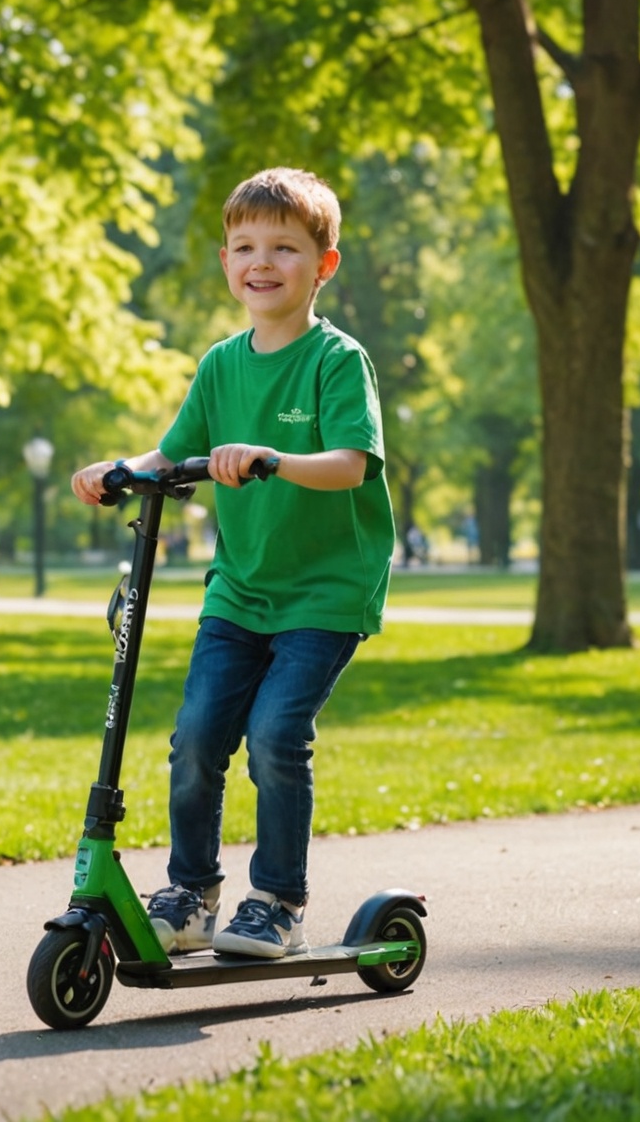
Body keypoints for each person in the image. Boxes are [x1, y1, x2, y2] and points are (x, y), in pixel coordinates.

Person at [71, 168, 393, 959]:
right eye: (246, 246)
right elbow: (172, 452)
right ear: (225, 262)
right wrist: (121, 470)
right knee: (197, 734)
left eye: (285, 247)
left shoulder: (335, 360)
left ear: (323, 264)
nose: (263, 261)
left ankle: (278, 902)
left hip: (325, 592)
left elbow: (353, 462)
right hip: (241, 591)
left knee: (278, 732)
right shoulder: (221, 364)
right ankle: (190, 895)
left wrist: (272, 457)